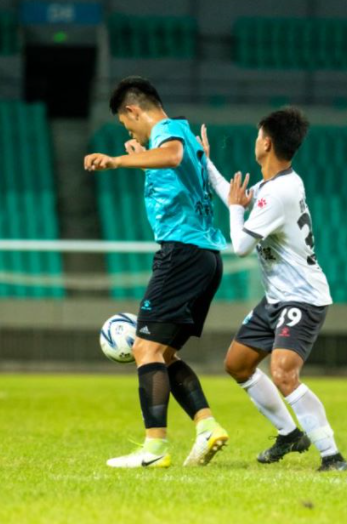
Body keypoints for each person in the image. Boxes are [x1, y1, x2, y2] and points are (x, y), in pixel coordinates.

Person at [84, 76, 228, 468]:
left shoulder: (169, 131)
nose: (129, 131)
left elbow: (171, 156)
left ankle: (154, 449)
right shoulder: (177, 133)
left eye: (126, 124)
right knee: (164, 353)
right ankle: (207, 426)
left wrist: (118, 159)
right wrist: (141, 154)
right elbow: (172, 166)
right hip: (205, 256)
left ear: (133, 110)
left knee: (144, 348)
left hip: (181, 252)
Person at [199, 108, 347, 472]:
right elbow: (232, 195)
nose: (255, 140)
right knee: (238, 364)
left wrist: (236, 211)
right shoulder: (276, 185)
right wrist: (205, 162)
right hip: (279, 298)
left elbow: (240, 246)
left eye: (257, 135)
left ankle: (332, 455)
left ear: (266, 142)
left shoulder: (276, 194)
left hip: (303, 297)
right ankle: (288, 434)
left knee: (283, 371)